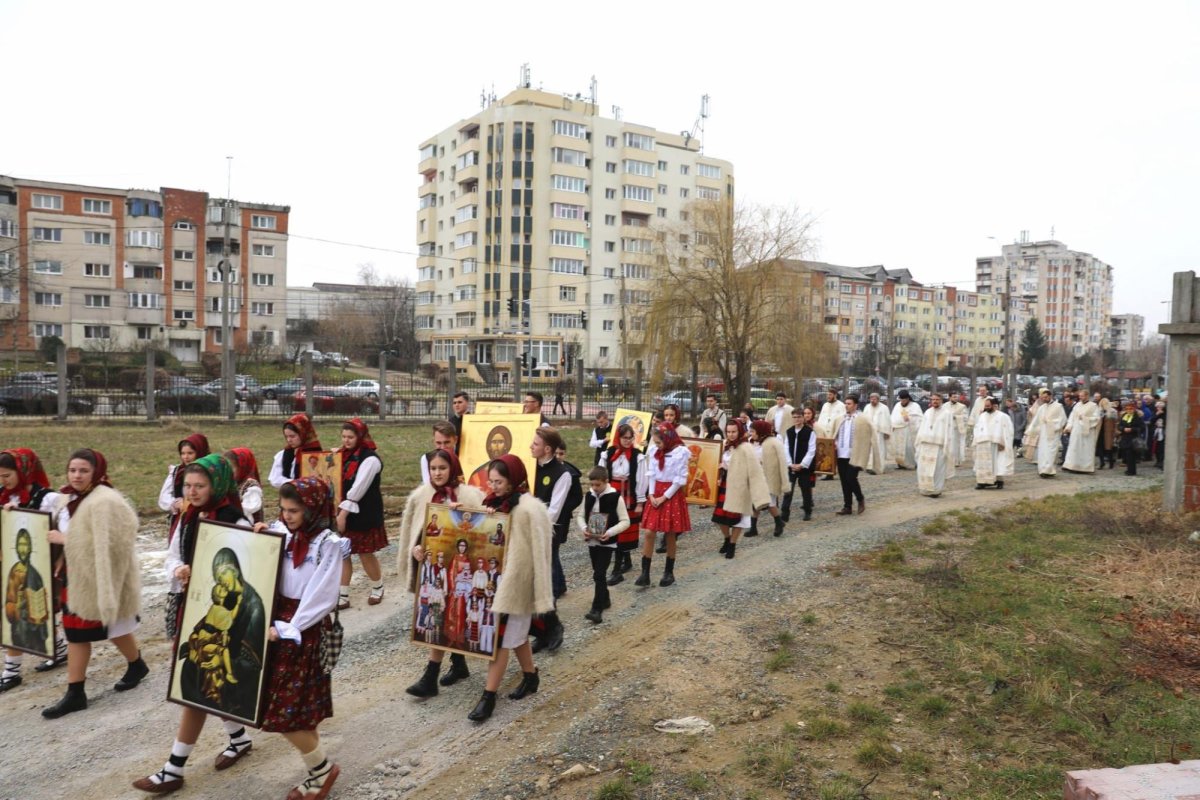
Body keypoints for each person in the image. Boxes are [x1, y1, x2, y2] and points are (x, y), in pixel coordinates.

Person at [135, 477, 346, 798]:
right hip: (273, 628)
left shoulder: (327, 543)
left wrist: (289, 628)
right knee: (286, 709)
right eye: (284, 509)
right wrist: (259, 540)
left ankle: (321, 771)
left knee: (283, 712)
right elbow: (257, 567)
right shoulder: (281, 530)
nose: (287, 516)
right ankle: (318, 769)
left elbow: (323, 595)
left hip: (299, 632)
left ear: (313, 509)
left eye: (294, 511)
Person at [42, 449, 146, 719]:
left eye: (83, 471)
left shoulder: (106, 501)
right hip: (74, 576)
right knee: (93, 629)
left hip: (96, 578)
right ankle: (131, 667)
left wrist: (65, 541)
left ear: (96, 472)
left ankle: (80, 691)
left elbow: (113, 545)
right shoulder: (66, 498)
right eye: (72, 469)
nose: (76, 475)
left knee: (96, 629)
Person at [466, 455, 553, 723]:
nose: (494, 487)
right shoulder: (494, 503)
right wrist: (487, 520)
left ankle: (488, 696)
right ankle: (531, 676)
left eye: (499, 481)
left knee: (500, 641)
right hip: (497, 584)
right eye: (491, 481)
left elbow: (540, 550)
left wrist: (535, 588)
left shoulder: (529, 509)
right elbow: (486, 540)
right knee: (517, 636)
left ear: (514, 479)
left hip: (518, 584)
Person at [401, 448, 486, 697]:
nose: (437, 473)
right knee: (442, 615)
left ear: (453, 469)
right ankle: (458, 665)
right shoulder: (422, 496)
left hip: (461, 571)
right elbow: (415, 532)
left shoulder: (470, 496)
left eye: (442, 468)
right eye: (433, 469)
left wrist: (463, 516)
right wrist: (415, 549)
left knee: (452, 615)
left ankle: (431, 676)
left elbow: (482, 536)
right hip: (436, 571)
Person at [165, 454, 251, 641]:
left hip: (224, 609)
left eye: (200, 486)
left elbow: (248, 568)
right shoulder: (188, 517)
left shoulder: (235, 521)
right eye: (187, 486)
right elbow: (173, 556)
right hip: (191, 601)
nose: (192, 492)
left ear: (216, 485)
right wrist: (179, 569)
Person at [0, 448, 62, 691]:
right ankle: (59, 648)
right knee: (12, 611)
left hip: (41, 565)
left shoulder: (47, 498)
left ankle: (11, 671)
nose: (2, 481)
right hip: (10, 566)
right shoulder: (4, 496)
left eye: (7, 476)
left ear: (23, 471)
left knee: (34, 611)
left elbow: (66, 522)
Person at [530, 428, 573, 652]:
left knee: (544, 583)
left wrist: (529, 520)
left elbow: (553, 512)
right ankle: (541, 630)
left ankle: (553, 627)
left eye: (535, 444)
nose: (530, 447)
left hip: (544, 534)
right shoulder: (529, 468)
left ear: (547, 449)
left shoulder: (562, 474)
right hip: (524, 533)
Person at [336, 418, 386, 609]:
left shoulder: (370, 459)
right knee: (342, 553)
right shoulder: (344, 455)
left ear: (360, 436)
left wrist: (342, 516)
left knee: (365, 553)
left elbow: (357, 490)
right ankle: (343, 594)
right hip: (343, 509)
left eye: (351, 437)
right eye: (344, 436)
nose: (346, 441)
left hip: (364, 512)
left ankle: (377, 586)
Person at [636, 424, 692, 584]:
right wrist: (652, 494)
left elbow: (679, 480)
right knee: (649, 532)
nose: (657, 446)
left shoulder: (680, 453)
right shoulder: (654, 451)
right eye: (655, 442)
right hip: (656, 492)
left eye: (659, 443)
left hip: (671, 494)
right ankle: (645, 573)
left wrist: (664, 497)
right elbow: (652, 474)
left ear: (667, 440)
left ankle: (669, 572)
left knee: (670, 534)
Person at [575, 466, 630, 624]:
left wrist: (610, 533)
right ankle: (605, 599)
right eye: (592, 485)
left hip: (607, 543)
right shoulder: (589, 496)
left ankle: (596, 609)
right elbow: (580, 516)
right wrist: (584, 528)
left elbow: (625, 521)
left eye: (598, 485)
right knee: (597, 573)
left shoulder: (615, 497)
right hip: (592, 541)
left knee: (599, 574)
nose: (595, 488)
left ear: (606, 482)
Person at [710, 420, 771, 559]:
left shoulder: (746, 447)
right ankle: (727, 538)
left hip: (741, 485)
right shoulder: (724, 445)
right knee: (719, 517)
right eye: (729, 432)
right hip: (726, 484)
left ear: (739, 431)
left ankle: (732, 544)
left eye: (734, 432)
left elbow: (753, 469)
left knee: (739, 518)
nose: (731, 435)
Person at [599, 423, 647, 585]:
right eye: (624, 438)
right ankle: (625, 561)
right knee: (608, 527)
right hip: (611, 493)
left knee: (622, 530)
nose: (627, 441)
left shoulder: (637, 456)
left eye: (630, 438)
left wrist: (640, 502)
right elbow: (600, 474)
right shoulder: (608, 454)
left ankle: (617, 570)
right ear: (618, 438)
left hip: (628, 496)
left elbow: (641, 480)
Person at [158, 434, 211, 540]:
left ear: (200, 451)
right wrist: (176, 503)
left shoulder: (210, 471)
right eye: (183, 453)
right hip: (181, 519)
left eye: (190, 453)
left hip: (204, 518)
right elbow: (163, 499)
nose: (185, 457)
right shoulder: (177, 472)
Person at [832, 396, 872, 515]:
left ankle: (860, 499)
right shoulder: (840, 419)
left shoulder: (862, 419)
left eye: (849, 403)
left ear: (855, 405)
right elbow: (834, 434)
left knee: (851, 477)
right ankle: (847, 506)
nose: (846, 405)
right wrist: (833, 443)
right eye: (845, 403)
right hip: (841, 453)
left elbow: (867, 436)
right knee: (844, 480)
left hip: (855, 454)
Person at [750, 420, 788, 537]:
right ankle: (753, 528)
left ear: (760, 431)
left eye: (753, 431)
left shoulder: (773, 443)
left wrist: (783, 479)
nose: (751, 433)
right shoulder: (752, 442)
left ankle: (778, 522)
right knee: (755, 502)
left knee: (769, 503)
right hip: (755, 477)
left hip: (768, 478)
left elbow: (781, 461)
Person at [915, 393, 956, 498]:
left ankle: (936, 490)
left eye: (937, 399)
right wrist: (919, 441)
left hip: (939, 445)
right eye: (933, 399)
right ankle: (925, 488)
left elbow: (949, 430)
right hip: (926, 444)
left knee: (937, 469)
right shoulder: (927, 412)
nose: (935, 401)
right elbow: (922, 427)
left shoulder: (947, 413)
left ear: (941, 400)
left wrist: (948, 444)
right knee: (923, 468)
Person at [269, 414, 323, 488]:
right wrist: (294, 482)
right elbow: (275, 479)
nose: (289, 440)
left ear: (303, 434)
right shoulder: (284, 454)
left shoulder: (316, 454)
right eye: (286, 436)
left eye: (292, 436)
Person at [783, 407, 817, 522]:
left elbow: (811, 450)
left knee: (805, 489)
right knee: (788, 490)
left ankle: (807, 511)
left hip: (804, 467)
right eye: (794, 417)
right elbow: (786, 448)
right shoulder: (789, 431)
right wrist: (789, 463)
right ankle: (785, 512)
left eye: (799, 417)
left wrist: (802, 464)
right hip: (791, 466)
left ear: (803, 418)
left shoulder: (809, 432)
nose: (796, 419)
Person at [973, 396, 1013, 489]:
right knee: (982, 464)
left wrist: (1003, 442)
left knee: (998, 463)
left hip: (996, 444)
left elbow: (1008, 431)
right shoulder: (982, 416)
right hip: (983, 444)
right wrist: (976, 440)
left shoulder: (1003, 416)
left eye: (988, 406)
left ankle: (999, 481)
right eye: (985, 406)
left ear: (994, 406)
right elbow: (977, 428)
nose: (986, 407)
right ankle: (982, 482)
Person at [1026, 389, 1067, 477]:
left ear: (1050, 396)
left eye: (1046, 397)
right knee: (1043, 452)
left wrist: (1050, 422)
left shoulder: (1058, 406)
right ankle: (1042, 470)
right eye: (1043, 398)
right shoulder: (1041, 408)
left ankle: (1049, 470)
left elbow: (1063, 419)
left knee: (1051, 452)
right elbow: (1036, 420)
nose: (1044, 399)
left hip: (1053, 434)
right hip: (1043, 434)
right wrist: (1030, 430)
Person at [1062, 393, 1103, 473]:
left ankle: (1084, 467)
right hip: (1076, 430)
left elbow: (1096, 418)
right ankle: (1071, 465)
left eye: (1082, 396)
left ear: (1087, 396)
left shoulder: (1093, 406)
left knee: (1085, 449)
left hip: (1087, 431)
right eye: (1080, 396)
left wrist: (1085, 418)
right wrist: (1068, 426)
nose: (1081, 397)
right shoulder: (1077, 405)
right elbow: (1072, 417)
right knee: (1073, 447)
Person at [468, 425, 513, 490]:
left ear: (506, 445)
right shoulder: (478, 473)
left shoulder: (513, 470)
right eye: (494, 442)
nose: (496, 446)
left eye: (500, 442)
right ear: (489, 446)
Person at [224, 448, 263, 523]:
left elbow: (250, 508)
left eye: (231, 468)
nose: (228, 472)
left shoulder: (251, 486)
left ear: (242, 467)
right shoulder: (231, 483)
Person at [889, 390, 923, 470]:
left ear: (908, 399)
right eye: (901, 400)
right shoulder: (897, 405)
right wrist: (892, 425)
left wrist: (909, 418)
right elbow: (893, 416)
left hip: (909, 430)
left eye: (904, 400)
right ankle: (900, 463)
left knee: (908, 447)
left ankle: (910, 463)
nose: (902, 401)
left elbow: (919, 418)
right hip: (898, 430)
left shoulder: (915, 406)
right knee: (897, 447)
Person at [861, 393, 892, 474]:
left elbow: (887, 420)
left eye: (874, 399)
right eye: (871, 399)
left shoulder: (884, 408)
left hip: (879, 433)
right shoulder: (867, 407)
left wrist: (887, 432)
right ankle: (869, 466)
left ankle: (878, 468)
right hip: (869, 432)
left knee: (879, 450)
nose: (872, 401)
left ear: (878, 399)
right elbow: (864, 418)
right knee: (869, 450)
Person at [1118, 400, 1146, 476]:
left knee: (1131, 455)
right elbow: (1119, 426)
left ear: (1134, 409)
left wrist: (1132, 429)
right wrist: (1123, 429)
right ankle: (1129, 469)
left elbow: (1142, 428)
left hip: (1133, 438)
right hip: (1125, 438)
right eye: (1127, 409)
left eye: (1130, 409)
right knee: (1127, 455)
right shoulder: (1124, 416)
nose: (1129, 410)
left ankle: (1132, 471)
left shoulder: (1137, 417)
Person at [946, 392, 969, 466]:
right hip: (947, 428)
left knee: (956, 445)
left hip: (956, 428)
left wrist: (956, 417)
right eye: (954, 397)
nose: (955, 398)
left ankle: (956, 461)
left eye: (956, 397)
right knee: (948, 445)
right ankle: (948, 461)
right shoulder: (944, 406)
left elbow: (965, 417)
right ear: (949, 397)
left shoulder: (962, 406)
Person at [1097, 398, 1118, 469]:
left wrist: (1115, 431)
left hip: (1108, 432)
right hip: (1100, 431)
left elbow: (1116, 422)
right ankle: (1101, 462)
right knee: (1100, 448)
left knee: (1109, 448)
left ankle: (1111, 462)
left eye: (1105, 403)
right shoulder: (1099, 411)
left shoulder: (1112, 411)